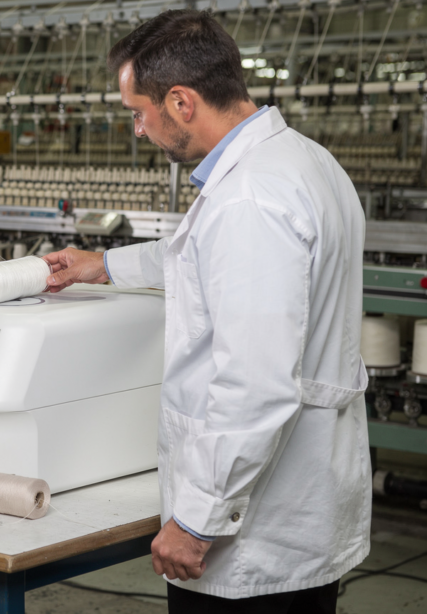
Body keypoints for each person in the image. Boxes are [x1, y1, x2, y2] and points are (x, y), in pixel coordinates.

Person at [43, 10, 370, 613]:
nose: (139, 129)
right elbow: (201, 257)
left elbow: (255, 383)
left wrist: (197, 521)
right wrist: (104, 265)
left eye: (138, 112)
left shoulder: (250, 199)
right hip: (303, 504)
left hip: (254, 534)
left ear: (181, 101)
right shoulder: (303, 161)